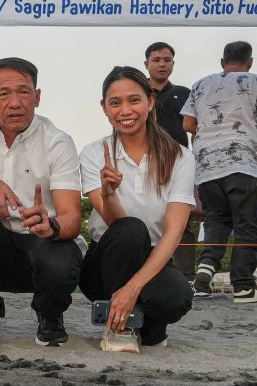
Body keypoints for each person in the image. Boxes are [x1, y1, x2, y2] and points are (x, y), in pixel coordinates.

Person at [0, 57, 83, 347]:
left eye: (24, 92)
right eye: (4, 94)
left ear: (37, 97)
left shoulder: (58, 141)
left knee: (61, 252)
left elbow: (71, 217)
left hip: (41, 243)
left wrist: (50, 224)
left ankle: (50, 316)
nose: (15, 103)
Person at [79, 66, 195, 354]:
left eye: (134, 100)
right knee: (131, 229)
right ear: (104, 108)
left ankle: (144, 321)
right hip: (106, 262)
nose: (125, 110)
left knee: (177, 297)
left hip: (154, 257)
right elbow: (116, 224)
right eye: (115, 103)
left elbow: (173, 232)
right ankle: (119, 326)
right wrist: (108, 194)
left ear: (150, 102)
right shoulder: (94, 154)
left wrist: (132, 289)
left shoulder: (180, 156)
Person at [184, 41, 257, 303]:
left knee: (216, 219)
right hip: (239, 163)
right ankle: (244, 287)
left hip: (205, 165)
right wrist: (247, 133)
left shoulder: (200, 84)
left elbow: (188, 123)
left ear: (222, 61)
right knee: (246, 223)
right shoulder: (256, 81)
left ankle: (204, 273)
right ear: (250, 62)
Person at [145, 42, 198, 280]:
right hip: (142, 161)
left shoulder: (185, 94)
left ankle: (186, 276)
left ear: (173, 64)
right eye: (156, 60)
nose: (162, 64)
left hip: (178, 162)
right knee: (142, 213)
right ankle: (143, 269)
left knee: (181, 218)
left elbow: (196, 129)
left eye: (166, 60)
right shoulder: (137, 92)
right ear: (146, 64)